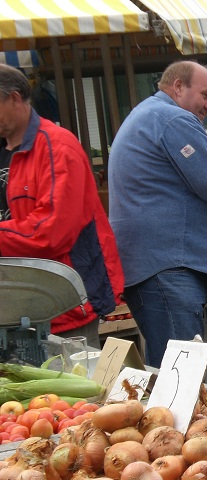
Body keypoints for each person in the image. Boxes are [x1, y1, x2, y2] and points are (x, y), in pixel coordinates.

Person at [108, 60, 207, 367]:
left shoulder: (149, 114)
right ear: (178, 87)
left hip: (153, 264)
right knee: (179, 372)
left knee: (168, 368)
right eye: (205, 95)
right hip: (167, 267)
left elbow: (169, 186)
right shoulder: (172, 119)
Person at [0, 64, 123, 347]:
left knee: (70, 389)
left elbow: (51, 232)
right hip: (17, 308)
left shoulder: (57, 147)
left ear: (15, 98)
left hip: (61, 308)